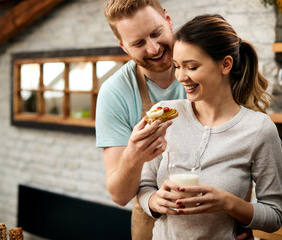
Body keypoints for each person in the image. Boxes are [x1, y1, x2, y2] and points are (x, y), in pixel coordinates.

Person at [97, 1, 255, 239]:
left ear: (168, 20)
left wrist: (242, 221)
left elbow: (244, 152)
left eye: (156, 33)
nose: (153, 49)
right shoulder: (115, 93)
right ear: (123, 46)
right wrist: (134, 153)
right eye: (138, 43)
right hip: (154, 223)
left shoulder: (213, 67)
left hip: (221, 223)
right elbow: (119, 195)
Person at [137, 14, 282, 239]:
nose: (181, 76)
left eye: (192, 67)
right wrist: (154, 201)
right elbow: (145, 185)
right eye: (177, 66)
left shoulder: (258, 129)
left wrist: (227, 203)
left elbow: (274, 215)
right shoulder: (165, 115)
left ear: (225, 64)